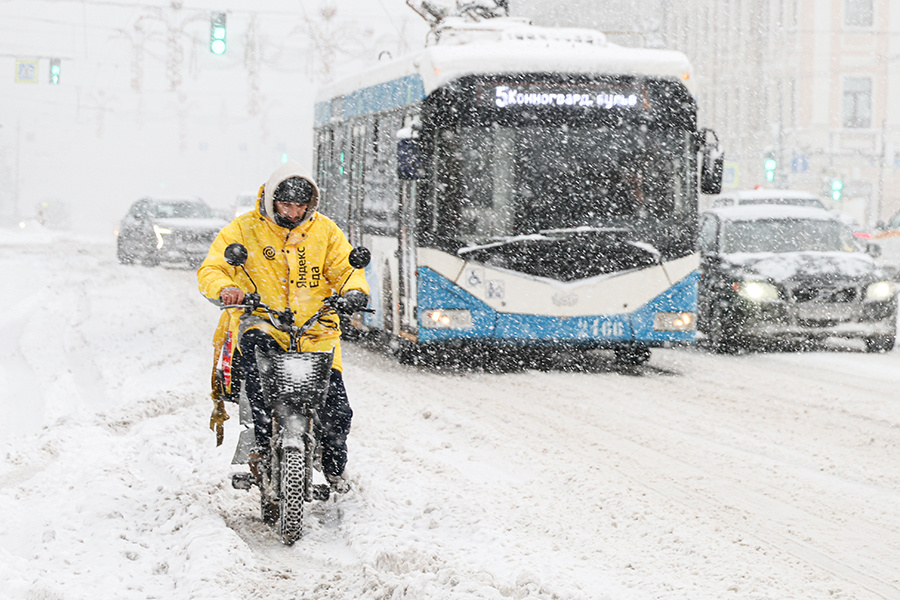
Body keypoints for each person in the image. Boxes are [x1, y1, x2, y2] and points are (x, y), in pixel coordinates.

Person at [198, 161, 369, 493]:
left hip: (315, 332)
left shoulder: (326, 232)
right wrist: (226, 289)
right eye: (286, 204)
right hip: (263, 323)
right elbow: (213, 268)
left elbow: (346, 268)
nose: (293, 212)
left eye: (300, 205)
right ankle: (261, 447)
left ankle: (334, 471)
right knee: (259, 385)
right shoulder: (243, 230)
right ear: (271, 199)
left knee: (338, 409)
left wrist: (353, 292)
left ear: (310, 204)